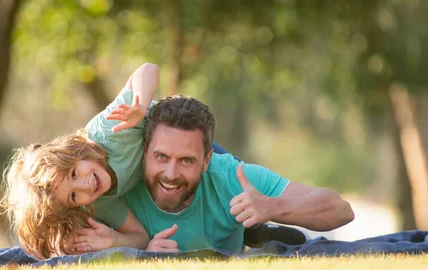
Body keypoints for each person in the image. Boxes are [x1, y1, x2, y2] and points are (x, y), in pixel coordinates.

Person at [101, 95, 356, 253]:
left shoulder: (231, 175)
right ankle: (254, 232)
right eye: (161, 157)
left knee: (235, 197)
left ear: (206, 160)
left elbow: (341, 210)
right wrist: (142, 252)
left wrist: (273, 207)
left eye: (187, 160)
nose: (170, 173)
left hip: (222, 180)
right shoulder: (112, 183)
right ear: (144, 151)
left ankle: (257, 228)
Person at [0, 63, 161, 259]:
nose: (85, 186)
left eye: (73, 174)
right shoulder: (101, 203)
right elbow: (141, 238)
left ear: (75, 153)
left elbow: (148, 70)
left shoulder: (107, 132)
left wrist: (141, 106)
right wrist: (113, 238)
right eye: (74, 196)